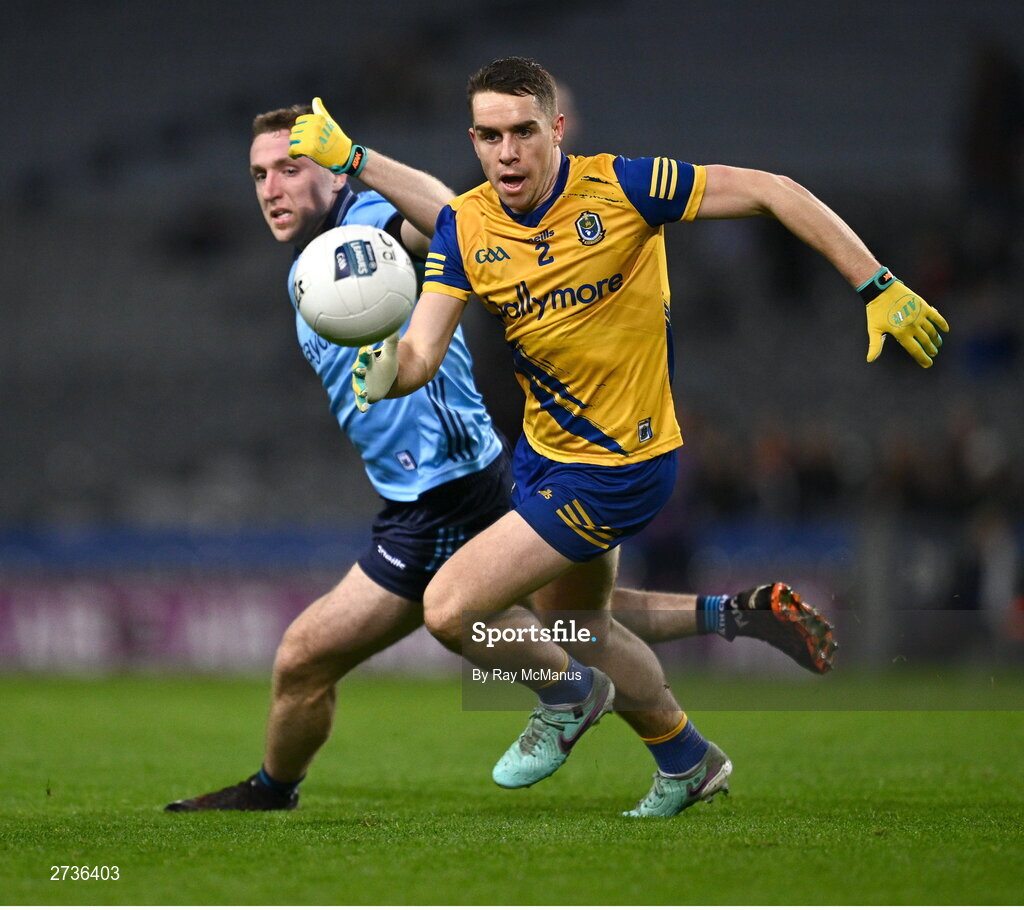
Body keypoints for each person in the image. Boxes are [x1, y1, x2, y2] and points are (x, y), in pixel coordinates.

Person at [164, 98, 837, 815]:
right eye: (259, 174)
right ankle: (716, 655)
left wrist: (356, 156)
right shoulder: (313, 261)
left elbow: (451, 217)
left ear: (328, 176)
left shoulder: (363, 228)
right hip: (423, 497)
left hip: (453, 491)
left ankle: (569, 700)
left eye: (289, 169)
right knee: (575, 622)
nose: (270, 187)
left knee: (342, 647)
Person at [337, 56, 947, 818]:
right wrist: (388, 367)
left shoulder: (625, 187)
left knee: (450, 608)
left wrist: (876, 283)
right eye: (491, 136)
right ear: (474, 139)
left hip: (621, 465)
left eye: (524, 132)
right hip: (543, 455)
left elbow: (771, 190)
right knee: (581, 623)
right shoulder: (465, 225)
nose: (508, 152)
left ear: (555, 130)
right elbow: (423, 351)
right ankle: (689, 754)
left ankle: (566, 699)